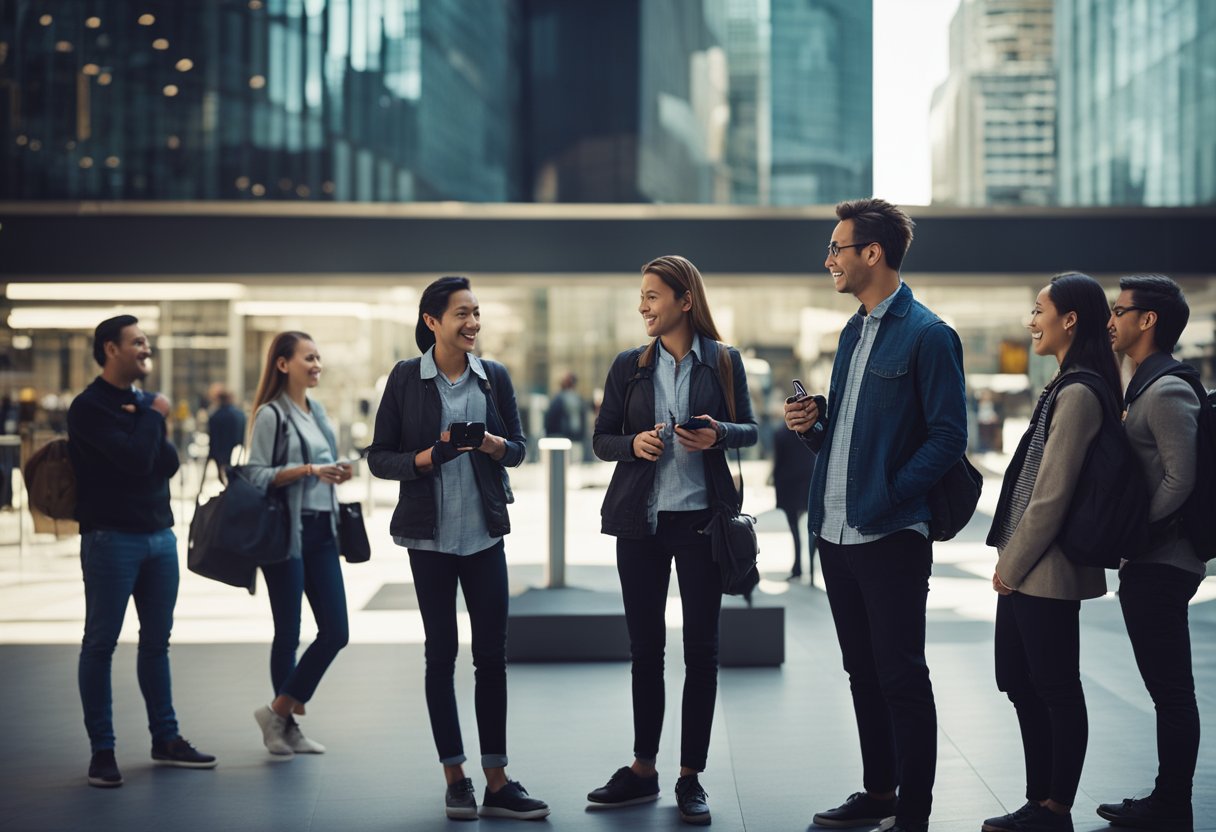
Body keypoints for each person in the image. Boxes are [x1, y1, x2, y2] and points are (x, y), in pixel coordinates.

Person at [783, 199, 966, 832]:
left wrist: (890, 493)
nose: (829, 259)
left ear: (873, 254)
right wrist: (815, 427)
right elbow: (852, 435)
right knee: (862, 672)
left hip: (890, 535)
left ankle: (913, 812)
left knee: (901, 677)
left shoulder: (930, 335)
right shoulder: (851, 332)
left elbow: (947, 438)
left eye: (838, 247)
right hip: (834, 532)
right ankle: (879, 793)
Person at [366, 276, 549, 821]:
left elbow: (519, 450)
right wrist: (430, 456)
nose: (472, 323)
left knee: (492, 657)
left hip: (484, 536)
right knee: (440, 654)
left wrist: (494, 445)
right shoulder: (404, 379)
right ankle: (455, 775)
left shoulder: (493, 378)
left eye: (476, 314)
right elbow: (379, 457)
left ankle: (497, 780)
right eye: (461, 314)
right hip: (429, 539)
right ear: (432, 322)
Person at [588, 255, 757, 826]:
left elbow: (751, 430)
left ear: (685, 301)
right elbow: (601, 439)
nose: (643, 306)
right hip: (641, 524)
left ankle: (691, 776)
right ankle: (642, 769)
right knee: (645, 651)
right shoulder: (627, 366)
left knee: (702, 654)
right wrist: (633, 444)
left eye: (653, 296)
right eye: (641, 296)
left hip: (701, 525)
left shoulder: (724, 363)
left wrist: (717, 434)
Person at [982, 273, 1118, 832]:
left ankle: (1054, 808)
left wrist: (1009, 566)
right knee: (1017, 679)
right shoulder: (1063, 385)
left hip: (1047, 570)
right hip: (1026, 567)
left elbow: (1052, 494)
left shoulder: (1081, 392)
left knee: (1056, 687)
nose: (1030, 322)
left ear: (1070, 320)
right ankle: (1038, 801)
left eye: (1039, 311)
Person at [67, 315, 217, 788]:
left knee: (156, 642)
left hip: (158, 536)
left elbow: (166, 463)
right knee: (101, 643)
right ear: (110, 349)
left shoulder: (140, 403)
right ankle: (103, 751)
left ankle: (165, 739)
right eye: (137, 342)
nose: (145, 348)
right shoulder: (89, 407)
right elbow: (135, 462)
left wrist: (149, 418)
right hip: (111, 538)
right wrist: (154, 415)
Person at [1097, 275, 1203, 830]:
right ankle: (1169, 799)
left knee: (1170, 690)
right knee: (1167, 689)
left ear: (1148, 321)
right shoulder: (1144, 381)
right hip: (1154, 559)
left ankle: (1172, 803)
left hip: (1164, 560)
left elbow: (1179, 480)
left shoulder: (1167, 390)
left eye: (1120, 311)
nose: (1111, 320)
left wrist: (1136, 533)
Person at [244, 331, 353, 759]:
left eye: (319, 358)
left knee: (336, 631)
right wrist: (309, 469)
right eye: (308, 358)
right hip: (287, 533)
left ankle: (276, 712)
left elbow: (325, 466)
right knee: (288, 632)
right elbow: (254, 474)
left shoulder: (318, 410)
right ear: (283, 364)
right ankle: (284, 728)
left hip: (323, 530)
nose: (316, 365)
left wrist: (337, 471)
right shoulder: (272, 415)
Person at [772, 422, 814, 581]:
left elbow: (778, 464)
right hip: (808, 483)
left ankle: (797, 568)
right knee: (812, 530)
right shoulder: (810, 429)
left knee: (795, 529)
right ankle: (809, 569)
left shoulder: (780, 433)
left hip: (788, 485)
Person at [201, 386, 246, 490]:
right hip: (236, 452)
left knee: (224, 479)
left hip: (220, 453)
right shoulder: (239, 414)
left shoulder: (215, 415)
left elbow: (213, 438)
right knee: (232, 480)